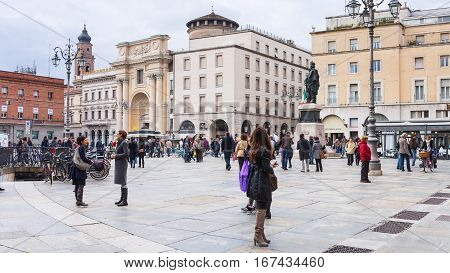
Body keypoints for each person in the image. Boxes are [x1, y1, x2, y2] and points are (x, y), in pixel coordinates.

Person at [247, 127, 276, 247]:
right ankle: (258, 234)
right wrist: (272, 166)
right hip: (262, 181)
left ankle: (261, 234)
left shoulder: (253, 148)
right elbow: (265, 167)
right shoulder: (263, 150)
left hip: (255, 179)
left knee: (260, 206)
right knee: (262, 207)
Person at [70, 136, 93, 207]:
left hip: (76, 167)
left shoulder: (78, 147)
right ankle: (79, 201)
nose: (87, 141)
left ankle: (78, 200)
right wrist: (90, 162)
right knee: (81, 184)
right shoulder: (82, 147)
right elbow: (83, 158)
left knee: (77, 185)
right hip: (80, 168)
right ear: (82, 142)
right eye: (85, 140)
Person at [111, 130, 129, 207]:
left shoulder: (124, 142)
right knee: (122, 181)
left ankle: (125, 201)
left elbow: (126, 153)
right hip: (119, 163)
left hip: (123, 163)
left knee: (123, 181)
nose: (116, 134)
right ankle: (122, 199)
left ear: (121, 135)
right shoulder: (120, 142)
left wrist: (116, 156)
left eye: (118, 134)